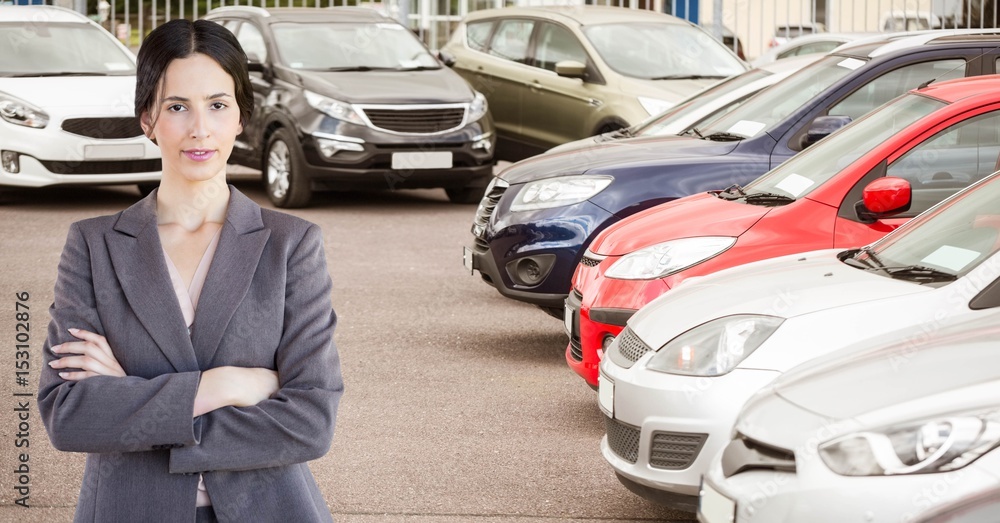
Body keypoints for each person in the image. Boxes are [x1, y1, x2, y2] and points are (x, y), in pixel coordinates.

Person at [37, 19, 343, 523]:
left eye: (218, 105)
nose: (200, 128)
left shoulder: (292, 245)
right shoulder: (93, 245)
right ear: (147, 119)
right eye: (177, 107)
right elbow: (69, 416)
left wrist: (132, 397)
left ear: (241, 116)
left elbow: (310, 422)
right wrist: (224, 386)